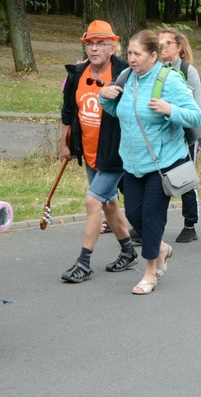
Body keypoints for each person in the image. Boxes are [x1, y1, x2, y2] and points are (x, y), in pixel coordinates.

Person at [99, 30, 201, 294]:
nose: (132, 59)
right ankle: (162, 249)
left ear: (154, 55)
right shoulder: (126, 77)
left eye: (138, 54)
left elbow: (195, 117)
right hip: (132, 163)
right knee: (133, 214)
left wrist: (170, 110)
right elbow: (119, 111)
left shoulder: (168, 81)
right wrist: (105, 97)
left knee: (152, 216)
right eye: (130, 53)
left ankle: (150, 272)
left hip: (162, 162)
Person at [59, 20, 137, 283]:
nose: (94, 49)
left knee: (93, 201)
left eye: (101, 44)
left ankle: (83, 263)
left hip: (116, 152)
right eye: (90, 44)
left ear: (113, 46)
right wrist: (65, 143)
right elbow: (69, 113)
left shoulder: (125, 74)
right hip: (89, 151)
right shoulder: (77, 75)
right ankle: (128, 252)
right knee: (109, 203)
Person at [157, 27, 201, 243]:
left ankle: (190, 225)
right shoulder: (154, 69)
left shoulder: (187, 71)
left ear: (179, 47)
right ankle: (149, 225)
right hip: (160, 135)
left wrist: (172, 111)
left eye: (167, 43)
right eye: (159, 43)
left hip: (186, 135)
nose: (162, 47)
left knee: (184, 178)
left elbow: (195, 110)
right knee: (157, 179)